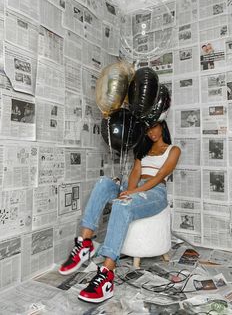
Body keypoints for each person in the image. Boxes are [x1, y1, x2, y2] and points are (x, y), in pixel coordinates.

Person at [59, 120, 181, 303]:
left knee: (121, 205)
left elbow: (159, 176)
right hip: (135, 187)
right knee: (103, 183)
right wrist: (128, 191)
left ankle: (107, 274)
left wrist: (133, 193)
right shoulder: (143, 150)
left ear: (163, 125)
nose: (151, 133)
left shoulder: (173, 150)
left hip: (155, 191)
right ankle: (85, 242)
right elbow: (135, 173)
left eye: (154, 127)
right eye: (147, 129)